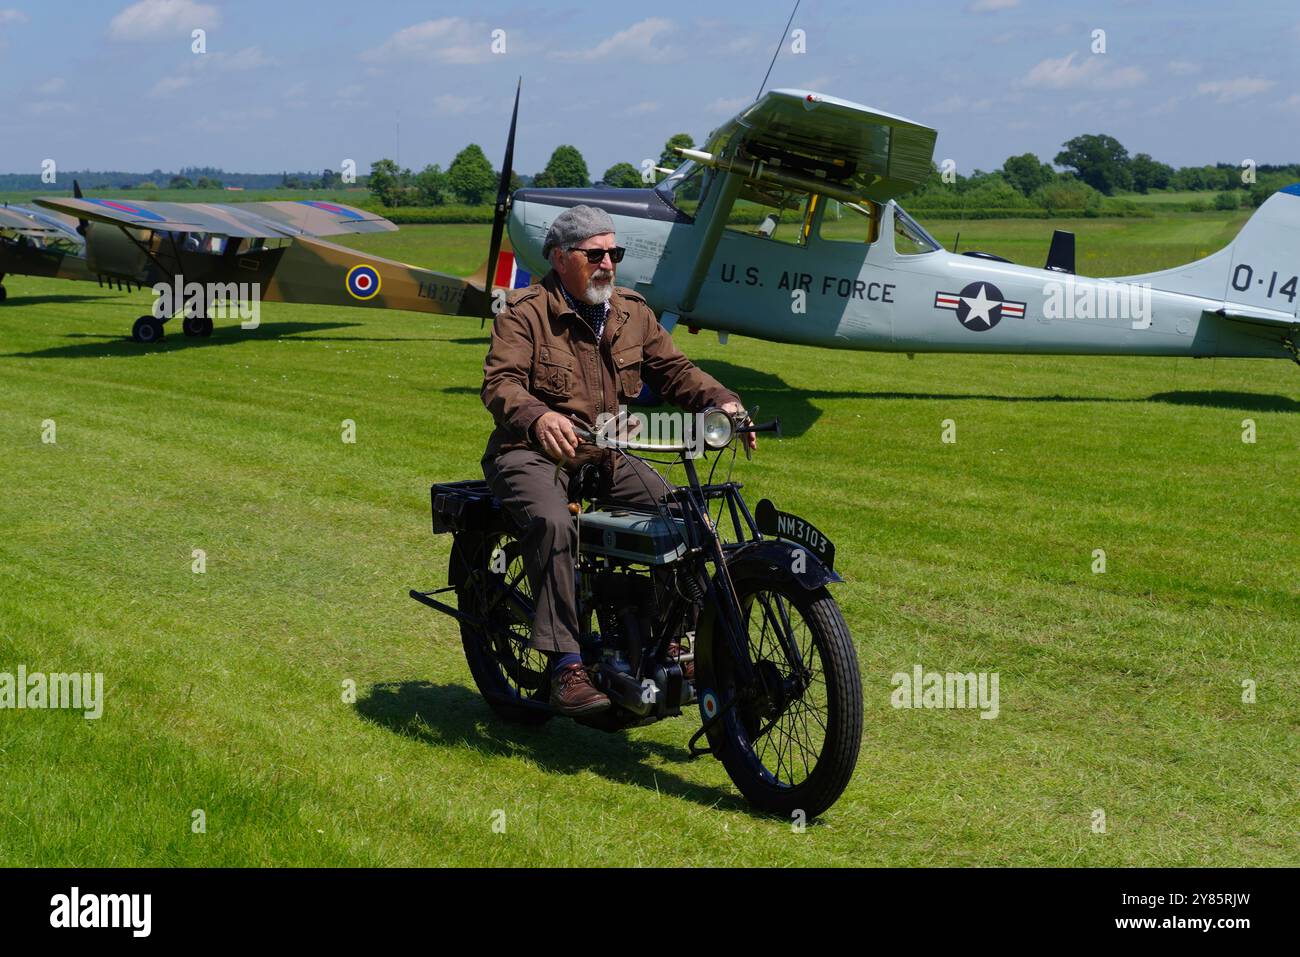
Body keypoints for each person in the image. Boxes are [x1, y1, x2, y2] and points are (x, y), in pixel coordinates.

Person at [480, 204, 753, 717]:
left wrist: (724, 402)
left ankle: (676, 643)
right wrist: (538, 417)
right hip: (532, 453)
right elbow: (500, 384)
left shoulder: (631, 311)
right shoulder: (525, 313)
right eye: (595, 254)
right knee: (552, 522)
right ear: (561, 258)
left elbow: (674, 370)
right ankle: (566, 666)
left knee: (684, 513)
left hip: (604, 456)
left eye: (614, 253)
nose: (608, 264)